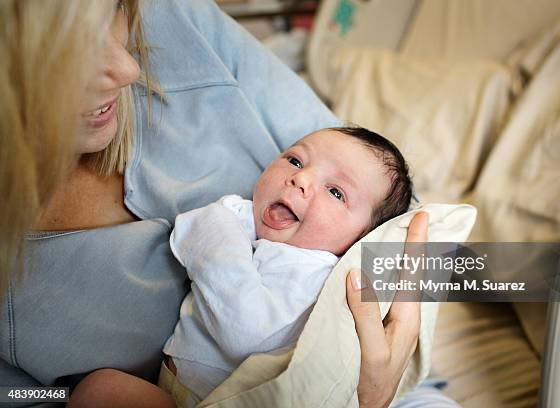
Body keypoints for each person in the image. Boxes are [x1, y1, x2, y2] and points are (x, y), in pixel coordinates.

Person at [1, 1, 431, 407]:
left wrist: (381, 380)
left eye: (114, 10)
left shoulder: (177, 17)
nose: (129, 67)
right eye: (69, 51)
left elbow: (429, 235)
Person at [68, 126, 414, 407]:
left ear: (364, 239)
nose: (300, 179)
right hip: (173, 388)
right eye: (294, 160)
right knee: (100, 390)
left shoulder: (317, 270)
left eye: (336, 192)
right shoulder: (253, 222)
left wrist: (217, 233)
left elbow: (247, 333)